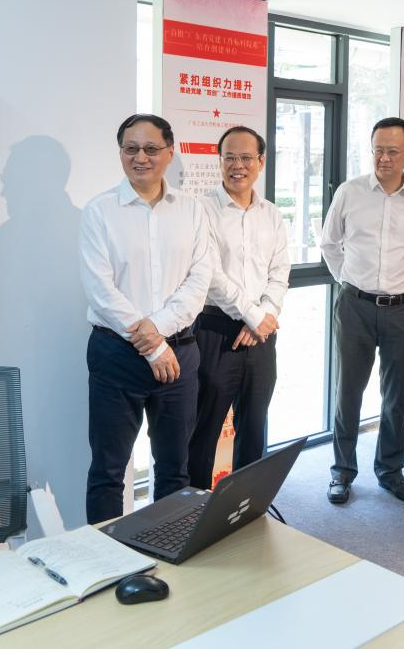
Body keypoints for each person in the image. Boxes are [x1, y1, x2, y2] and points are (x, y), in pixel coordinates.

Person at [79, 113, 212, 523]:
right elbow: (100, 290)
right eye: (131, 148)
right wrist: (153, 344)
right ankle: (106, 556)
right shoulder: (99, 211)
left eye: (151, 149)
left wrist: (160, 331)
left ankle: (165, 547)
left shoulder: (192, 210)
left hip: (180, 353)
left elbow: (199, 280)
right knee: (108, 472)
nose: (141, 157)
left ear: (170, 153)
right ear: (120, 153)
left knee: (174, 469)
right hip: (116, 354)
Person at [320, 117, 404, 505]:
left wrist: (395, 284)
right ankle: (342, 471)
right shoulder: (350, 192)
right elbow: (329, 244)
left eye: (392, 151)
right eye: (378, 150)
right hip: (355, 307)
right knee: (348, 392)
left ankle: (390, 471)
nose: (384, 158)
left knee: (395, 396)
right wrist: (349, 282)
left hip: (402, 310)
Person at [186, 126, 290, 489]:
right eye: (229, 157)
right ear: (219, 161)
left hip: (261, 336)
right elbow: (211, 274)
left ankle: (246, 507)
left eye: (246, 157)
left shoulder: (271, 213)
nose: (237, 165)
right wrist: (254, 316)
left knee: (254, 427)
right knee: (203, 431)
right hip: (214, 330)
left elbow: (280, 271)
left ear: (261, 162)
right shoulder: (201, 210)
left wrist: (265, 314)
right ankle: (195, 509)